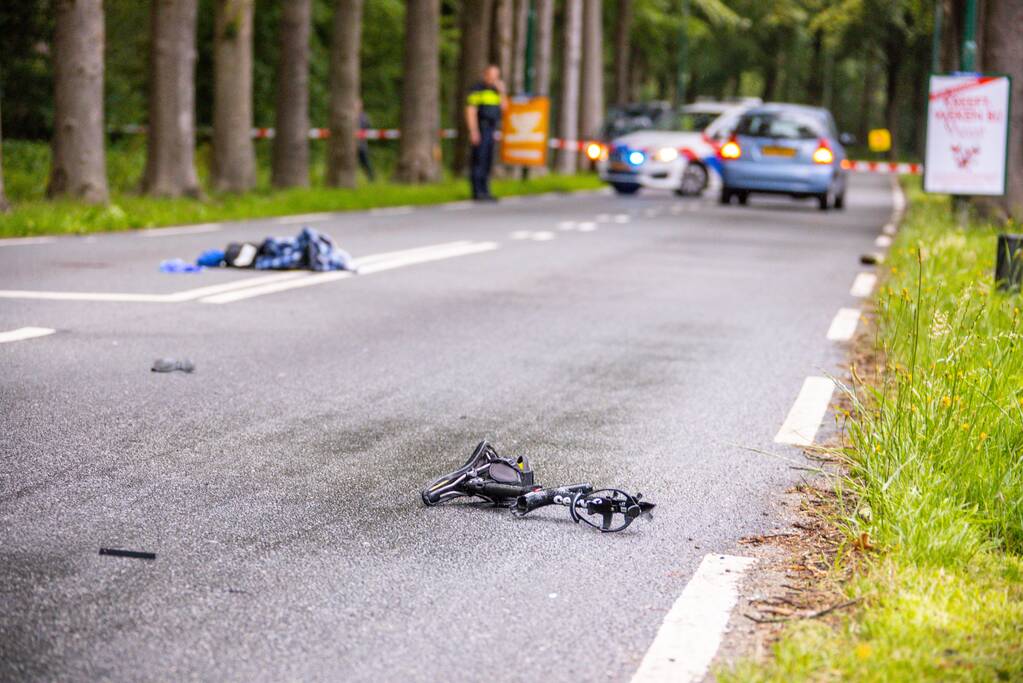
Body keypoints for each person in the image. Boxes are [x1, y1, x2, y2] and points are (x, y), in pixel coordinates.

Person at [465, 64, 507, 201]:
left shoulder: (496, 91)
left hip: (491, 128)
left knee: (488, 160)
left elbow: (505, 108)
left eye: (496, 76)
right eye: (491, 76)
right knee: (479, 159)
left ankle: (485, 191)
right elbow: (471, 111)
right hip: (480, 127)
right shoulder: (477, 89)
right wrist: (473, 131)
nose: (493, 79)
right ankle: (477, 191)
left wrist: (502, 91)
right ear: (485, 75)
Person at [357, 99, 375, 182]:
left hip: (361, 145)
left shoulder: (364, 117)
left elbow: (368, 127)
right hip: (351, 146)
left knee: (365, 163)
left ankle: (372, 178)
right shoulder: (351, 116)